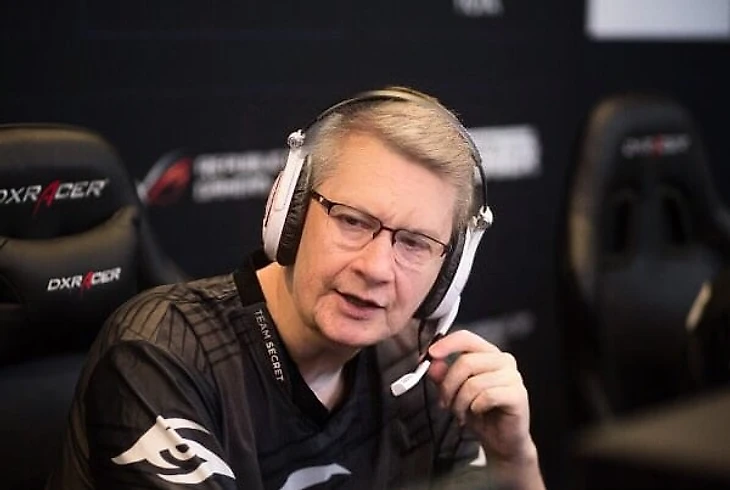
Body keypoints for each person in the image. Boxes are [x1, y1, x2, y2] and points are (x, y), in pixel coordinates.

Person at [46, 86, 546, 490]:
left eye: (414, 243)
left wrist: (513, 459)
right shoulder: (161, 352)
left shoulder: (418, 376)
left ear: (450, 270)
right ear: (290, 213)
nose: (376, 268)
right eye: (352, 221)